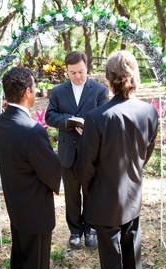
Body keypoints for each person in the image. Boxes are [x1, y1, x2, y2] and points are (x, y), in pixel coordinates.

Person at [78, 50, 158, 269]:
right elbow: (146, 153)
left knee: (112, 263)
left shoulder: (96, 117)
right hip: (132, 191)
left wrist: (88, 190)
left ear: (108, 79)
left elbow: (86, 165)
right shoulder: (149, 111)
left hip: (104, 197)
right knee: (133, 253)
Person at [0, 67, 61, 269]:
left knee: (20, 260)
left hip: (16, 206)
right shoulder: (32, 130)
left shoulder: (0, 123)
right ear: (26, 93)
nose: (37, 89)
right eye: (34, 86)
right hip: (36, 211)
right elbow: (51, 171)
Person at [45, 51, 109, 249]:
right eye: (72, 73)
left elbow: (106, 116)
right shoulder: (57, 92)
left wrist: (89, 127)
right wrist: (67, 122)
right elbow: (49, 116)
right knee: (72, 195)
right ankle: (75, 231)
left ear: (86, 67)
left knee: (90, 192)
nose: (77, 76)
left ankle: (90, 229)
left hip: (92, 151)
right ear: (66, 71)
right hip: (68, 152)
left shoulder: (100, 90)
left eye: (81, 71)